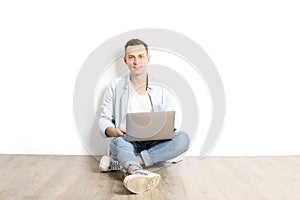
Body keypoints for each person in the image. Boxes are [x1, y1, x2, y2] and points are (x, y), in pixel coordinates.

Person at [98, 39, 190, 194]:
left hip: (156, 141)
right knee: (119, 142)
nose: (136, 62)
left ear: (148, 58)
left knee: (183, 139)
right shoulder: (114, 86)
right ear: (125, 60)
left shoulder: (163, 88)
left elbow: (174, 120)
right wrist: (112, 131)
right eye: (132, 57)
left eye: (141, 56)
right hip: (127, 140)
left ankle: (129, 162)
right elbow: (104, 118)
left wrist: (167, 128)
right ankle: (134, 170)